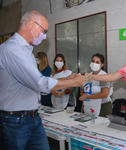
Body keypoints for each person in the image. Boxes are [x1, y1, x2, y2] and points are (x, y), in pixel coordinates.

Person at [0, 10, 85, 150]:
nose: (44, 37)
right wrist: (74, 82)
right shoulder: (12, 49)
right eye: (44, 31)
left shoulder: (26, 51)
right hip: (14, 121)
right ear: (32, 25)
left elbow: (33, 84)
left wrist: (67, 78)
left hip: (32, 117)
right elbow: (39, 82)